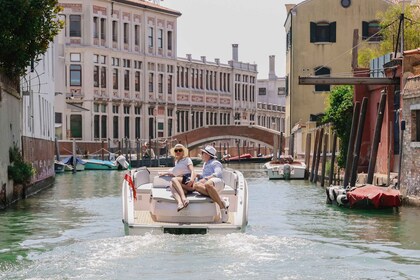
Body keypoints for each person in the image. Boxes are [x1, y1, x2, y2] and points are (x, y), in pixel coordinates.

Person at [193, 145, 229, 223]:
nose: (201, 154)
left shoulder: (215, 163)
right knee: (196, 186)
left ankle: (222, 208)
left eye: (203, 153)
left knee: (207, 184)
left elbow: (218, 173)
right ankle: (222, 201)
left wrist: (205, 179)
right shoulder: (205, 164)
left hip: (218, 182)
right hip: (209, 183)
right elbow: (204, 175)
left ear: (207, 155)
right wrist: (198, 175)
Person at [159, 144, 195, 211]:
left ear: (183, 152)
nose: (178, 152)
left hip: (188, 181)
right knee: (171, 184)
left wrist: (192, 180)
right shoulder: (176, 162)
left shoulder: (187, 159)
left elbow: (192, 170)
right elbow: (174, 174)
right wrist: (164, 173)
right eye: (176, 150)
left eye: (180, 150)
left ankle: (183, 198)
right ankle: (180, 202)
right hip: (182, 184)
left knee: (173, 180)